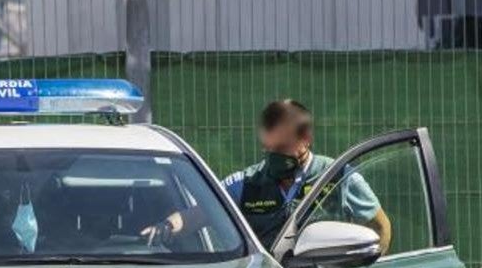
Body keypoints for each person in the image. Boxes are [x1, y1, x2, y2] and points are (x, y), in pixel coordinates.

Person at [143, 99, 392, 252]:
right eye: (269, 148)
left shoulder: (337, 177)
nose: (274, 155)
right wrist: (166, 227)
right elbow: (197, 215)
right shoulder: (246, 183)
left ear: (305, 140)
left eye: (282, 147)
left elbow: (381, 226)